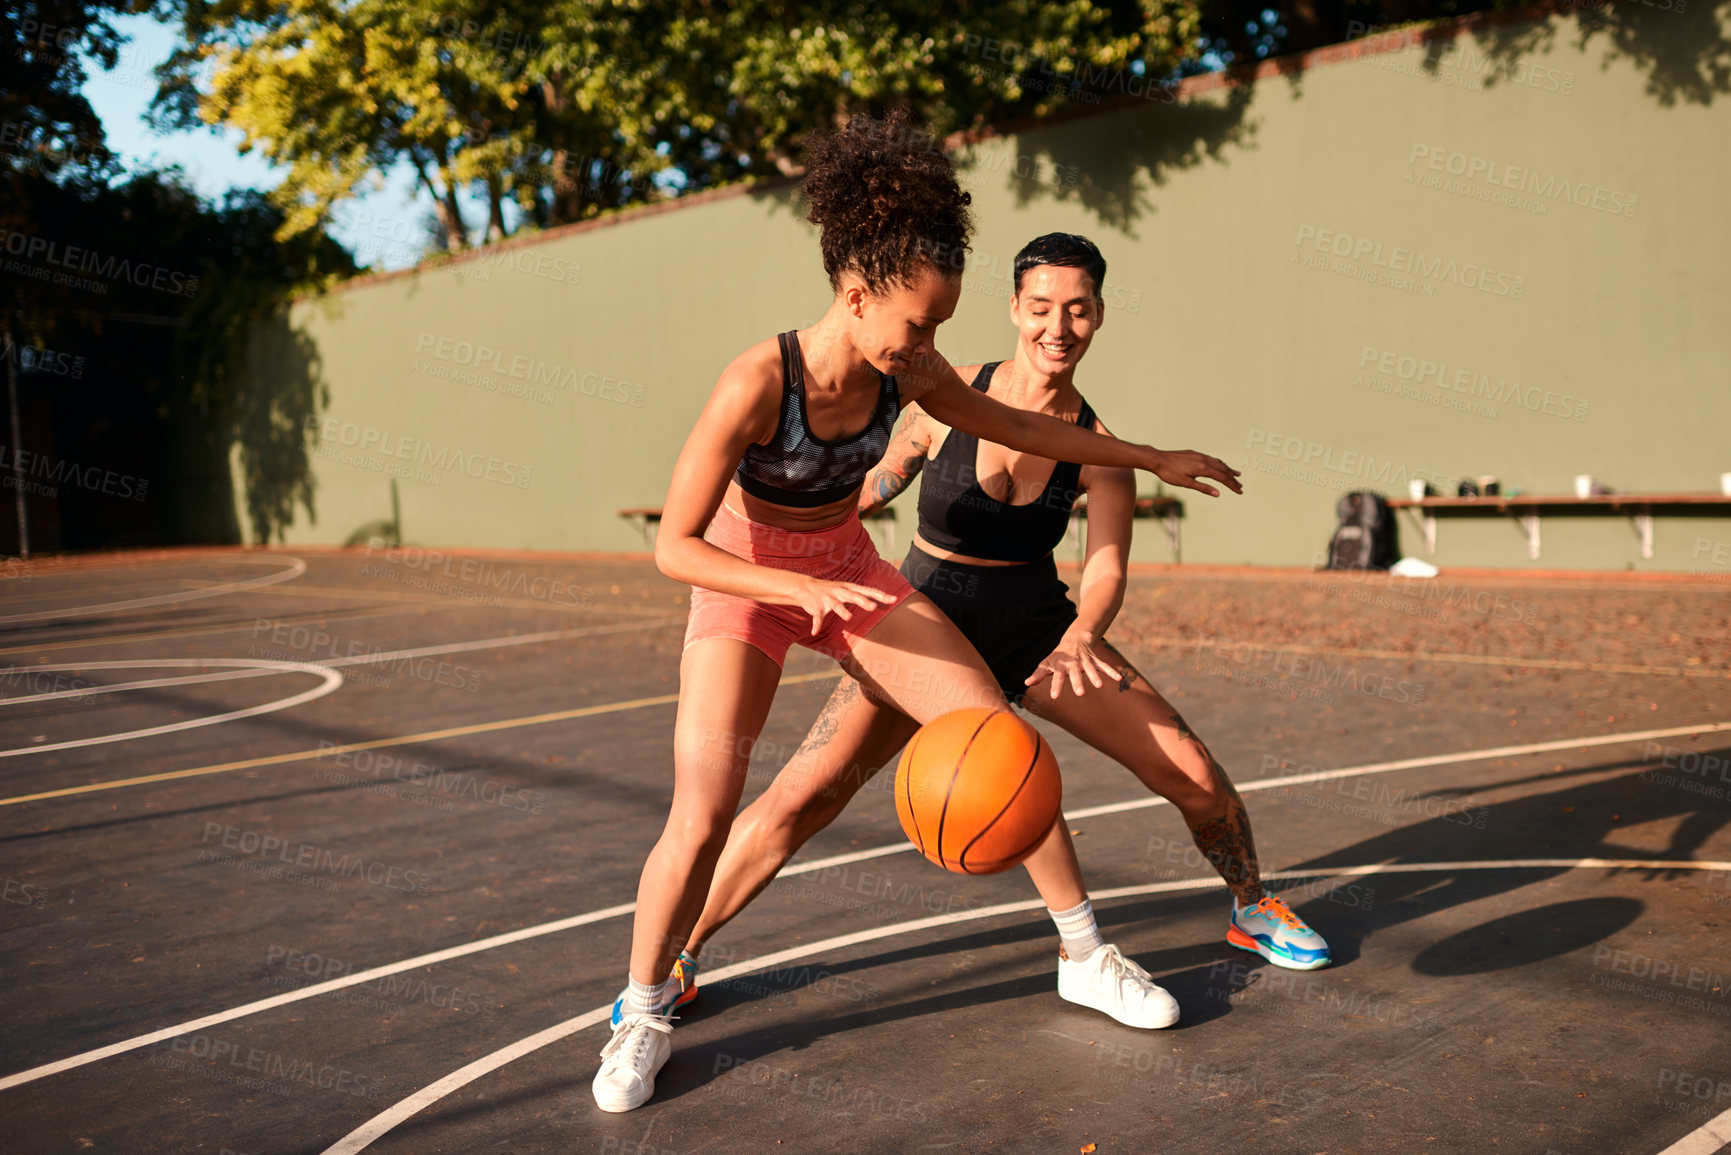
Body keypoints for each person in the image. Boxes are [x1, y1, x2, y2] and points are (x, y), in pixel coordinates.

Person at [592, 113, 1243, 1113]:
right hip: (748, 577)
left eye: (942, 326)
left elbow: (1023, 421)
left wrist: (1150, 456)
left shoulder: (911, 371)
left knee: (989, 729)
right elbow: (673, 547)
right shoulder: (758, 381)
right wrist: (795, 589)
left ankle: (1082, 952)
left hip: (849, 573)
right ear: (855, 296)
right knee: (708, 806)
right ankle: (643, 1008)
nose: (931, 347)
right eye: (918, 324)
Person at [672, 231, 1331, 1036]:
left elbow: (1106, 568)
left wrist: (1085, 631)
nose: (1058, 326)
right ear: (1016, 310)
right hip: (921, 620)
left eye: (1078, 310)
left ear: (1097, 318)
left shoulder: (1098, 448)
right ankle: (683, 951)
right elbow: (862, 489)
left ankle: (1250, 902)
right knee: (799, 799)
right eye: (1042, 307)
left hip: (1036, 630)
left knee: (1192, 769)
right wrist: (780, 546)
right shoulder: (940, 398)